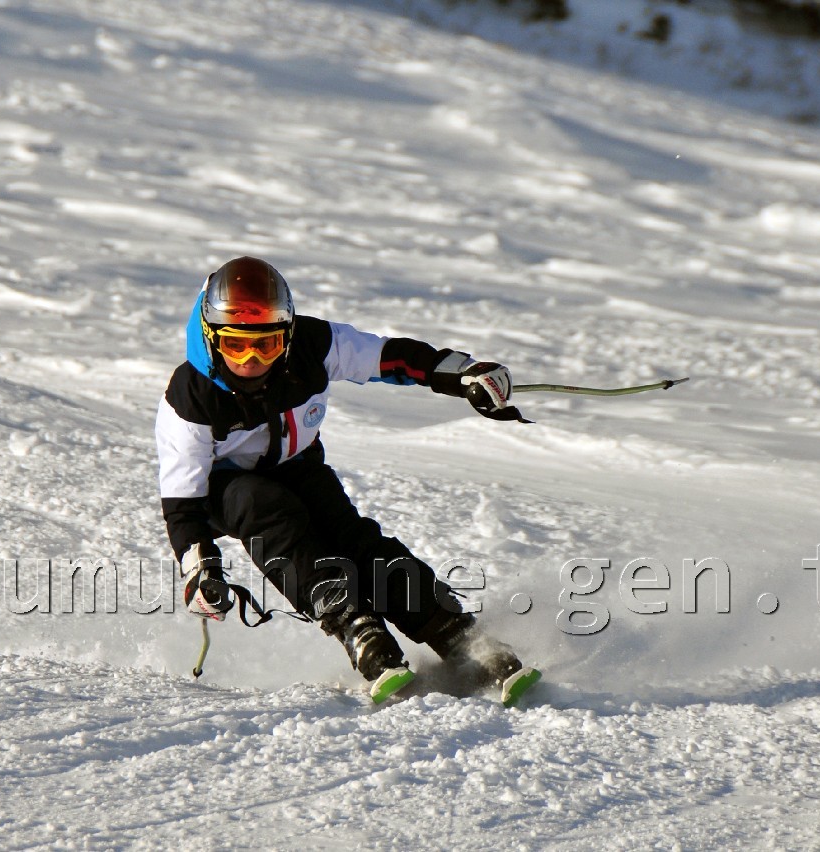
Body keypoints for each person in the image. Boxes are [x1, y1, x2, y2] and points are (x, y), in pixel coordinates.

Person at [155, 256, 539, 704]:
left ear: (289, 335)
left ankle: (453, 631)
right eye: (237, 346)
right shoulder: (190, 396)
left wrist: (462, 373)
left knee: (354, 538)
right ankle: (355, 625)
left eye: (269, 344)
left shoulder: (313, 346)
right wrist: (200, 570)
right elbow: (182, 502)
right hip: (227, 489)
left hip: (299, 465)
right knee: (271, 513)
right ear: (211, 337)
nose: (254, 361)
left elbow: (390, 357)